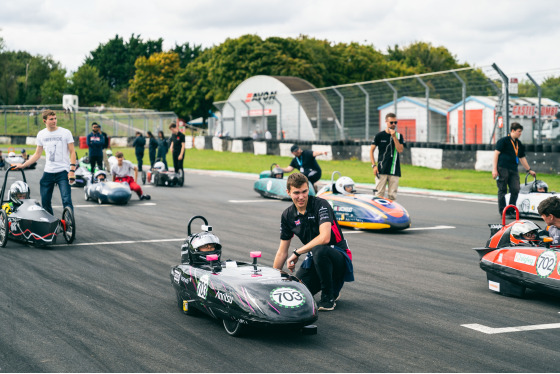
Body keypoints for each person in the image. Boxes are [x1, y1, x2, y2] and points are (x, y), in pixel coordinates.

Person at [273, 173, 354, 311]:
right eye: (296, 193)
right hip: (315, 260)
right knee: (295, 292)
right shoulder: (287, 215)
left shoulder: (321, 204)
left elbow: (324, 238)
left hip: (338, 257)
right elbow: (282, 251)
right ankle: (331, 286)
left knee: (319, 249)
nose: (301, 196)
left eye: (304, 191)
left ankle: (328, 298)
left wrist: (297, 252)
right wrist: (272, 279)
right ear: (288, 192)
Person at [15, 109, 76, 215]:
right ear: (45, 121)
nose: (54, 121)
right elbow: (37, 154)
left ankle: (69, 223)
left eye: (55, 118)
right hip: (48, 172)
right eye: (51, 119)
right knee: (45, 202)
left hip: (63, 171)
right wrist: (23, 165)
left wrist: (72, 170)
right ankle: (50, 224)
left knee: (66, 200)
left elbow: (72, 152)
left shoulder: (65, 133)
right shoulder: (41, 134)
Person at [492, 122, 536, 217]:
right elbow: (496, 154)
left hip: (513, 169)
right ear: (513, 131)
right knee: (502, 189)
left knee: (515, 189)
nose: (520, 134)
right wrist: (494, 169)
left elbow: (522, 157)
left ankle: (511, 209)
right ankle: (503, 211)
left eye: (521, 132)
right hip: (502, 168)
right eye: (519, 131)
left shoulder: (518, 143)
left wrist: (529, 170)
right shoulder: (503, 141)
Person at [370, 113, 405, 201]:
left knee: (392, 196)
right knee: (379, 194)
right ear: (386, 122)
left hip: (394, 170)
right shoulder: (379, 135)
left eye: (395, 123)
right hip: (381, 169)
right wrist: (374, 166)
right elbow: (371, 151)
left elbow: (400, 150)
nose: (393, 124)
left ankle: (391, 214)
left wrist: (394, 137)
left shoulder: (399, 136)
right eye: (391, 122)